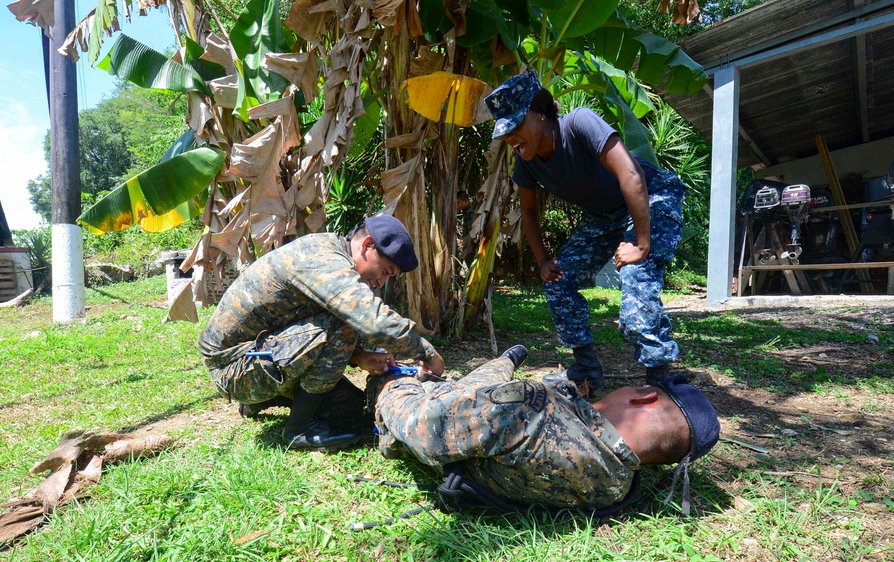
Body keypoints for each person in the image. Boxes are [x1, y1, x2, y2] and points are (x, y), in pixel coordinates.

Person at [484, 69, 687, 389]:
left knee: (637, 277)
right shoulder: (526, 159)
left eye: (516, 126)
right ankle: (587, 370)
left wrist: (642, 245)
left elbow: (631, 175)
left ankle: (660, 382)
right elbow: (528, 213)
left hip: (651, 198)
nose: (511, 138)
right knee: (558, 279)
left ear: (540, 113)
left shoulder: (579, 123)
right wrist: (542, 262)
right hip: (602, 216)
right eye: (505, 132)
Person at [199, 215, 446, 451]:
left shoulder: (330, 250)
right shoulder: (323, 259)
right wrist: (427, 354)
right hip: (234, 366)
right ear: (368, 246)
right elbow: (373, 320)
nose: (380, 282)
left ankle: (260, 399)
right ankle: (299, 430)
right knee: (346, 320)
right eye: (385, 271)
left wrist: (358, 356)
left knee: (348, 406)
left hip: (255, 355)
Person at [371, 345, 719, 512]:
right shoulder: (616, 487)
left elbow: (420, 424)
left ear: (644, 398)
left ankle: (503, 361)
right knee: (491, 379)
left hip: (419, 412)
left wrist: (392, 382)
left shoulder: (532, 407)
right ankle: (505, 360)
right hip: (482, 427)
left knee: (461, 387)